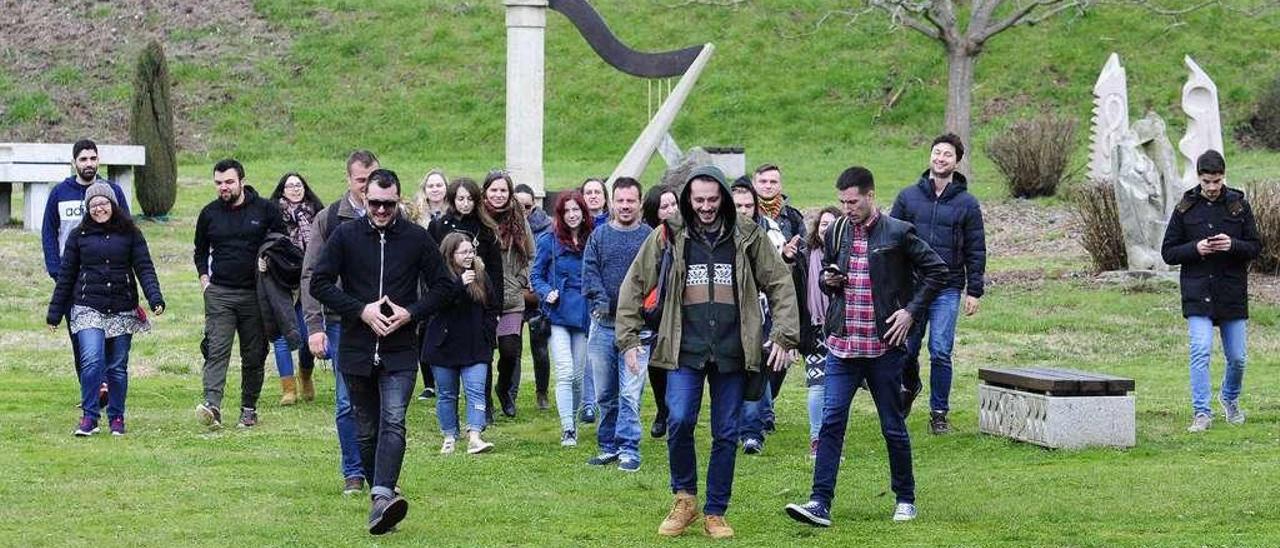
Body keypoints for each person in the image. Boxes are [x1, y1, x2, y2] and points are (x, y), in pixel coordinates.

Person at [616, 165, 798, 539]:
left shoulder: (747, 235)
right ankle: (684, 498)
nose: (705, 207)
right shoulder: (669, 234)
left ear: (725, 199)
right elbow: (635, 282)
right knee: (679, 420)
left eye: (712, 199)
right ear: (688, 199)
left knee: (726, 431)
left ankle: (716, 511)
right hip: (684, 348)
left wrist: (784, 335)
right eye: (698, 200)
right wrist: (629, 338)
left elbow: (780, 281)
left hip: (733, 349)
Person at [784, 166, 947, 528]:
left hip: (883, 349)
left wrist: (910, 312)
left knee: (892, 426)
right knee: (830, 424)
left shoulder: (898, 232)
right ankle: (819, 502)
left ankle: (906, 499)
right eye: (842, 201)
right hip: (842, 347)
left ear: (871, 196)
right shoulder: (838, 230)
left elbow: (938, 271)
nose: (847, 208)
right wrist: (830, 280)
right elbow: (831, 277)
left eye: (853, 202)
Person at [311, 168, 457, 535]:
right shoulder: (345, 235)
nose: (379, 210)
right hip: (357, 347)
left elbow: (444, 286)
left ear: (398, 200)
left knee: (394, 420)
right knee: (366, 428)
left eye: (387, 204)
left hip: (401, 349)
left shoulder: (415, 238)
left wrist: (411, 313)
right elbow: (320, 282)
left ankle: (381, 497)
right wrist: (361, 309)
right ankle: (383, 492)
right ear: (364, 199)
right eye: (373, 203)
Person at [46, 183, 164, 436]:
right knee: (91, 361)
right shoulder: (78, 236)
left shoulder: (131, 233)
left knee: (117, 367)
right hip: (87, 306)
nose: (99, 208)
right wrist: (54, 312)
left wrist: (155, 298)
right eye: (94, 205)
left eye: (104, 203)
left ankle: (116, 417)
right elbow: (67, 276)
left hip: (122, 307)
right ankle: (89, 417)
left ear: (113, 205)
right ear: (88, 209)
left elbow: (144, 267)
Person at [890, 133, 987, 434]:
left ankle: (939, 412)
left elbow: (976, 247)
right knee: (905, 348)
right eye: (937, 153)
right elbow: (891, 241)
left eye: (947, 154)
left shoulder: (967, 203)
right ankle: (909, 385)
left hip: (947, 286)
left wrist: (974, 290)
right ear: (929, 157)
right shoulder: (908, 197)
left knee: (941, 350)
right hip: (913, 287)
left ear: (957, 162)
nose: (941, 158)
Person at [1161, 150, 1261, 432]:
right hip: (1198, 291)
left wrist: (1233, 245)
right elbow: (1168, 252)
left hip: (1231, 291)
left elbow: (1255, 246)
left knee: (1238, 358)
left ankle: (1229, 398)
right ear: (1199, 178)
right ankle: (1202, 413)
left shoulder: (1239, 206)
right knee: (1200, 351)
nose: (1213, 187)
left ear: (1223, 176)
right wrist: (1195, 249)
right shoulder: (1185, 208)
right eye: (1207, 182)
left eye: (1217, 181)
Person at [300, 149, 380, 495]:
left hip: (384, 320)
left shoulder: (391, 214)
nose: (367, 187)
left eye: (371, 179)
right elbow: (311, 275)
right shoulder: (330, 218)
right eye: (361, 180)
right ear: (349, 179)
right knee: (348, 400)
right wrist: (314, 326)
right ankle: (353, 471)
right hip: (341, 320)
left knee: (383, 400)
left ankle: (380, 470)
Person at [193, 159, 284, 430]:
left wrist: (269, 262)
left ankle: (249, 408)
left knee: (254, 354)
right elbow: (200, 251)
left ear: (242, 180)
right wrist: (204, 280)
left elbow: (283, 244)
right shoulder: (208, 213)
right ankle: (212, 406)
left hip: (255, 294)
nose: (224, 187)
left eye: (229, 182)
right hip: (220, 292)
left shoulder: (266, 210)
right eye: (219, 183)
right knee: (216, 350)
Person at [42, 139, 131, 403]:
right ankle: (92, 390)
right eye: (83, 159)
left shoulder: (113, 191)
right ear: (74, 163)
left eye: (93, 158)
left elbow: (127, 230)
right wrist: (56, 271)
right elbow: (49, 233)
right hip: (72, 280)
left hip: (106, 279)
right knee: (80, 340)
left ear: (98, 160)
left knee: (106, 338)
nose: (89, 164)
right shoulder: (59, 193)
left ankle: (104, 386)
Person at [581, 177, 652, 471]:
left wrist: (641, 308)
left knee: (629, 392)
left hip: (638, 329)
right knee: (605, 393)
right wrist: (603, 301)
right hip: (603, 325)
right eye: (620, 200)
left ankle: (629, 448)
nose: (625, 206)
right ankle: (608, 445)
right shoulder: (599, 236)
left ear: (639, 202)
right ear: (612, 202)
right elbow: (590, 273)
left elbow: (658, 278)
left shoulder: (650, 237)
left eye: (630, 201)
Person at [430, 177, 505, 424]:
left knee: (482, 356)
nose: (465, 203)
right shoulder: (440, 226)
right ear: (452, 200)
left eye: (470, 199)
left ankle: (484, 408)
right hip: (449, 296)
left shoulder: (485, 228)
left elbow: (495, 269)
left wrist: (496, 310)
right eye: (460, 198)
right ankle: (451, 419)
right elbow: (432, 264)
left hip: (479, 295)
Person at [423, 232, 498, 454]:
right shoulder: (437, 275)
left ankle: (475, 435)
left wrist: (488, 330)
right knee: (446, 393)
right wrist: (458, 285)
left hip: (475, 344)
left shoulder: (481, 275)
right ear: (450, 254)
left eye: (471, 251)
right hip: (443, 344)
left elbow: (492, 306)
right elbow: (432, 306)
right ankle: (449, 435)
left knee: (476, 390)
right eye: (463, 252)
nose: (469, 256)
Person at [729, 180, 789, 455]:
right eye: (737, 205)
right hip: (727, 314)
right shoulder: (719, 235)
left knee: (757, 368)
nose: (743, 211)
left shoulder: (768, 231)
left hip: (760, 312)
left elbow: (779, 276)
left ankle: (753, 430)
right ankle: (743, 426)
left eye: (748, 205)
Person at [531, 191, 594, 446]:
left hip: (584, 314)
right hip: (557, 313)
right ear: (560, 214)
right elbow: (536, 276)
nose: (572, 215)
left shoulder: (594, 239)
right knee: (565, 372)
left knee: (578, 376)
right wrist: (547, 293)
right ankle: (567, 428)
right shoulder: (549, 240)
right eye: (567, 211)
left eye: (576, 209)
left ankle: (574, 420)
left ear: (583, 211)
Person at [267, 171, 325, 406]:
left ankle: (305, 374)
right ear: (282, 190)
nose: (295, 189)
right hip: (280, 280)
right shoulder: (271, 214)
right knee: (281, 336)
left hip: (308, 282)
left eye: (298, 185)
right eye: (290, 186)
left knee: (305, 333)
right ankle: (288, 388)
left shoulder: (318, 214)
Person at [482, 171, 535, 417]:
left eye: (503, 190)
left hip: (512, 299)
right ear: (485, 192)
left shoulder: (518, 219)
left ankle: (503, 389)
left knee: (510, 351)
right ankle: (485, 404)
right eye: (494, 190)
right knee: (483, 355)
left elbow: (532, 255)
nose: (498, 194)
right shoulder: (477, 218)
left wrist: (521, 280)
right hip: (482, 298)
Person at [640, 183, 679, 438]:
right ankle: (662, 409)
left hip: (680, 307)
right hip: (656, 309)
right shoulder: (649, 236)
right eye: (664, 206)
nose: (671, 210)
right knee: (656, 364)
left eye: (674, 204)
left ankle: (676, 411)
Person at [802, 207, 841, 457]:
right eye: (822, 224)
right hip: (814, 327)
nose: (826, 227)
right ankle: (817, 438)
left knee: (837, 386)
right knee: (817, 384)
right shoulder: (806, 255)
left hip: (842, 326)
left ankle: (834, 437)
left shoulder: (847, 253)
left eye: (832, 223)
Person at [408, 169, 449, 401]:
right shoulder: (416, 215)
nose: (435, 189)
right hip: (421, 277)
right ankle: (429, 382)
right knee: (423, 328)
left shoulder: (452, 213)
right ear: (425, 189)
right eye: (431, 186)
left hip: (446, 273)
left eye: (439, 185)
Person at [515, 183, 553, 411]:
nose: (523, 211)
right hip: (516, 293)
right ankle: (510, 393)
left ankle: (542, 392)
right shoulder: (506, 225)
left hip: (538, 293)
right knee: (513, 348)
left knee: (540, 348)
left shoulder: (547, 229)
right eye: (518, 206)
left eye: (527, 206)